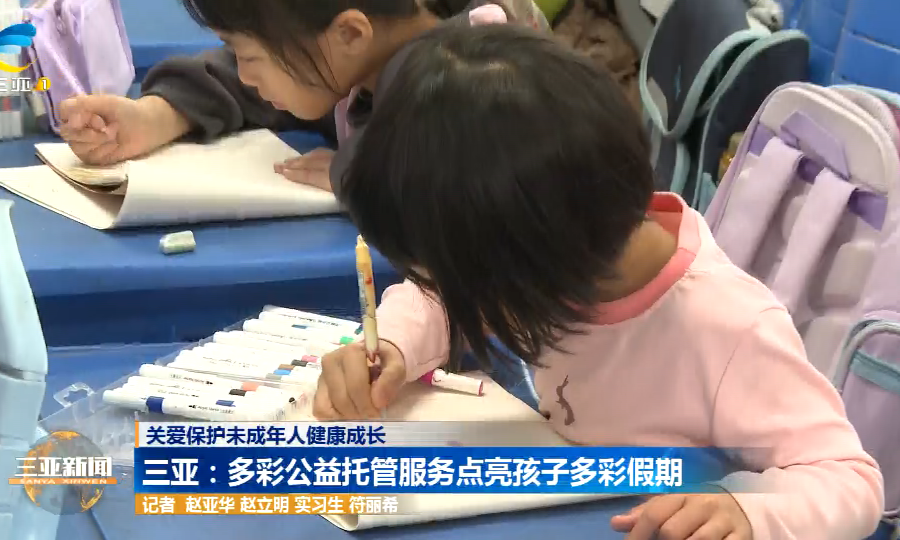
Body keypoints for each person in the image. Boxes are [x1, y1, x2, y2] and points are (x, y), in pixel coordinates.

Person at [311, 23, 885, 540]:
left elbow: (848, 477)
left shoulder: (728, 331)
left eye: (465, 283)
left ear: (532, 259)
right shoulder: (554, 244)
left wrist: (750, 510)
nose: (452, 295)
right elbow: (438, 296)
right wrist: (394, 343)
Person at [57, 0, 547, 192]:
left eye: (249, 55)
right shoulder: (347, 55)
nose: (245, 73)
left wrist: (359, 171)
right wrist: (156, 117)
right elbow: (257, 79)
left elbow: (435, 168)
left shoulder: (480, 79)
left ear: (349, 34)